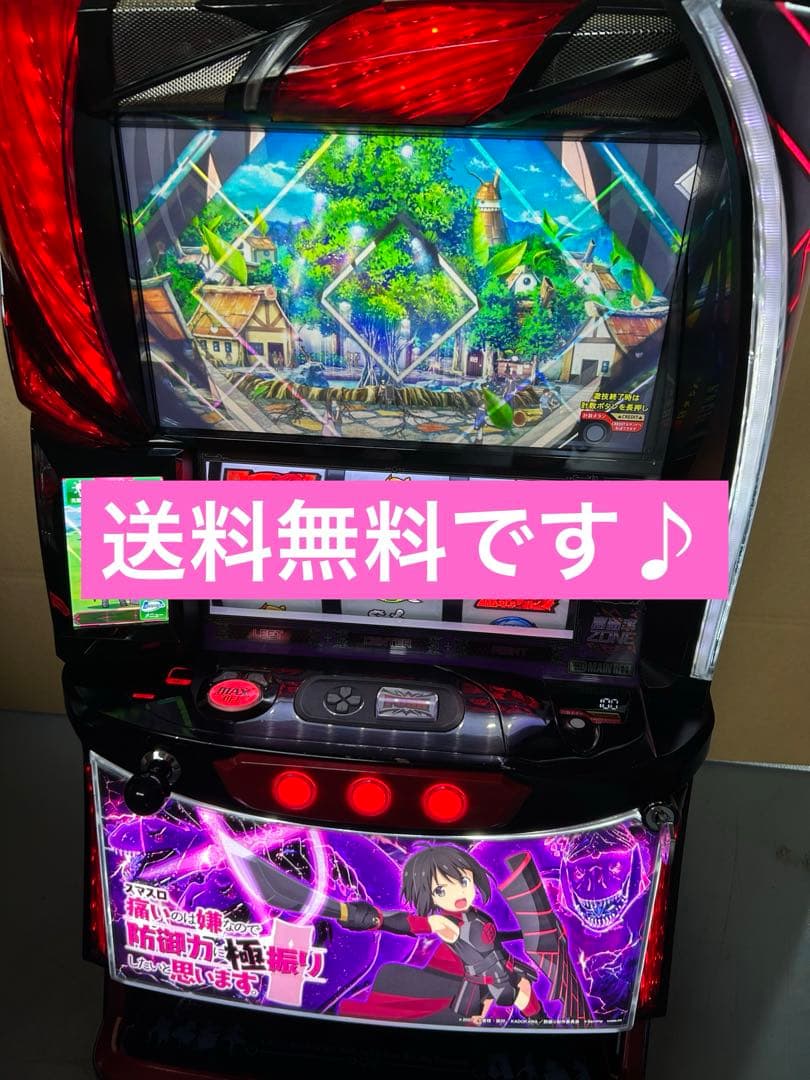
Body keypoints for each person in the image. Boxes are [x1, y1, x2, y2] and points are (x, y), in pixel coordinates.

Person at [337, 845, 541, 1024]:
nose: (457, 893)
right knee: (475, 1018)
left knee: (524, 990)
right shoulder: (445, 922)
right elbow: (410, 923)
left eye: (463, 881)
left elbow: (490, 939)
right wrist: (379, 919)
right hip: (478, 981)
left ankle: (544, 1025)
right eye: (441, 890)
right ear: (430, 896)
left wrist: (523, 934)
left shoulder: (479, 915)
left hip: (501, 966)